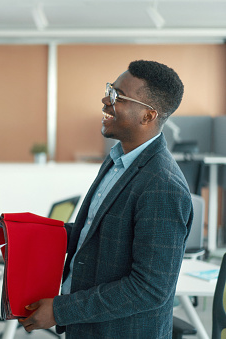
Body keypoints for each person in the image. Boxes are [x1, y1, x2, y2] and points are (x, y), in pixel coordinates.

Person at [19, 60, 192, 338]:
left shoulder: (162, 185)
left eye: (117, 96)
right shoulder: (117, 160)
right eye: (110, 89)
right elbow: (96, 233)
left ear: (147, 116)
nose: (105, 100)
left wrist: (61, 310)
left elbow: (148, 289)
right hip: (88, 328)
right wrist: (35, 232)